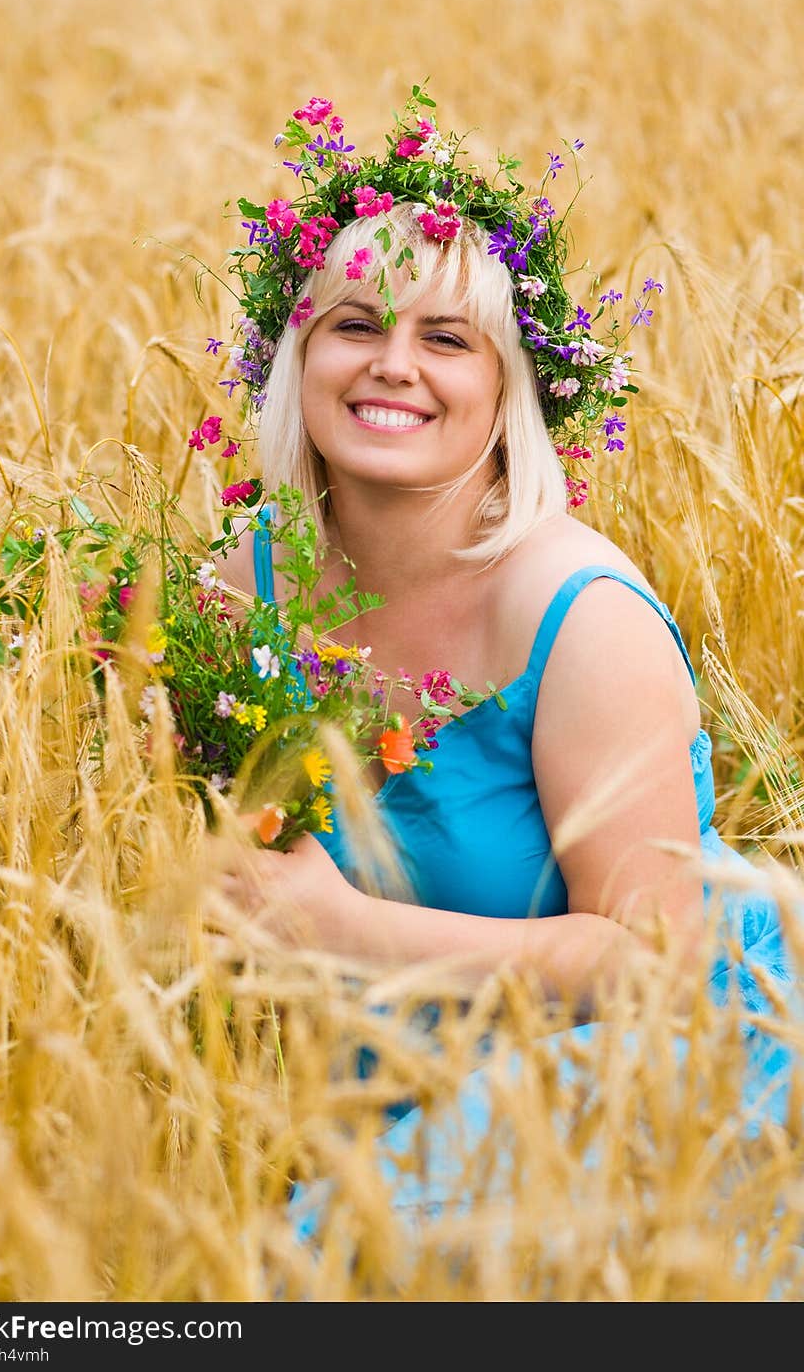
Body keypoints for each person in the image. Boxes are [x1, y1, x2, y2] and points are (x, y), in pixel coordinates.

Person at [213, 93, 800, 1229]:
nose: (393, 367)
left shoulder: (581, 619)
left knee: (336, 1247)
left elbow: (658, 967)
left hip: (656, 1048)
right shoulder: (246, 587)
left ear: (508, 387)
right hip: (392, 1054)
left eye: (445, 340)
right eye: (354, 325)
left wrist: (344, 934)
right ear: (299, 352)